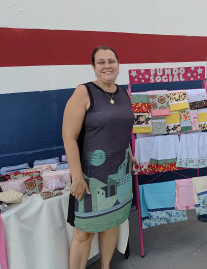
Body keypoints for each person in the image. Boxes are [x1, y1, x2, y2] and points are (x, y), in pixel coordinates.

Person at [62, 45, 136, 269]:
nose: (107, 66)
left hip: (119, 172)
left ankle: (106, 267)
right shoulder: (83, 92)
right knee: (84, 233)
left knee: (112, 223)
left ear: (118, 64)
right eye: (101, 62)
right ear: (93, 67)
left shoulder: (123, 92)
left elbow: (123, 129)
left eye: (111, 61)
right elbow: (69, 136)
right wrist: (77, 176)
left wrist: (130, 156)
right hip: (91, 175)